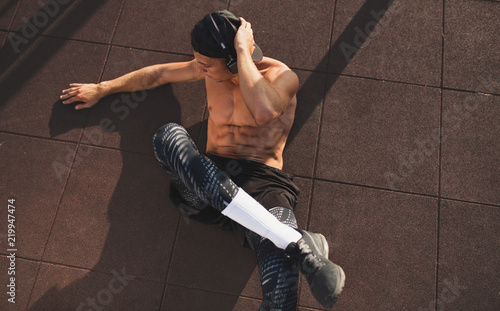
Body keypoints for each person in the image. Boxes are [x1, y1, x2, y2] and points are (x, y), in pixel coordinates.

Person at [60, 10, 345, 310]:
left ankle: (284, 241)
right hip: (207, 181)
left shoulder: (281, 76)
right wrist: (102, 88)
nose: (199, 68)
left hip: (264, 186)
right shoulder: (208, 68)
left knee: (282, 290)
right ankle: (295, 243)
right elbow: (158, 74)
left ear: (234, 60)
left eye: (207, 64)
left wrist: (241, 53)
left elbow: (263, 111)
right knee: (167, 137)